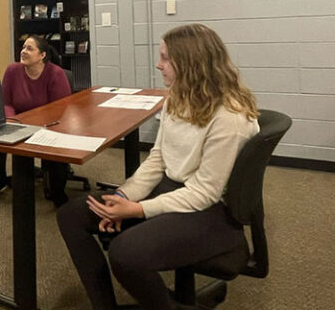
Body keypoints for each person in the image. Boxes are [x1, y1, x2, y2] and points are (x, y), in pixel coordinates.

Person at [56, 23, 260, 310]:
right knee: (72, 215)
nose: (158, 64)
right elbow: (158, 157)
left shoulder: (230, 117)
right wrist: (125, 197)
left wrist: (137, 210)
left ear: (190, 64)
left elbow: (204, 193)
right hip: (175, 191)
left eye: (165, 58)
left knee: (124, 252)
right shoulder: (178, 95)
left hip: (212, 212)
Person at [0, 35, 72, 207]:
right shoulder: (12, 71)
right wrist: (10, 120)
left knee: (57, 144)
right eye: (23, 47)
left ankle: (58, 192)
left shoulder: (56, 74)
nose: (23, 51)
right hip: (18, 121)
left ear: (42, 55)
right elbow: (6, 102)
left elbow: (60, 109)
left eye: (30, 48)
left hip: (48, 123)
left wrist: (35, 125)